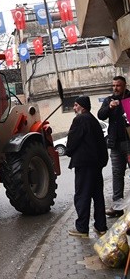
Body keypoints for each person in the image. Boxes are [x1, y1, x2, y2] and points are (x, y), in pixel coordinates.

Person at [66, 96, 108, 238]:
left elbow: (72, 141)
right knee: (97, 196)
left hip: (84, 164)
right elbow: (102, 144)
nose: (74, 108)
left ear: (82, 106)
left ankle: (82, 228)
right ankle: (101, 226)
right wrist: (102, 162)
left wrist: (68, 151)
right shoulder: (94, 120)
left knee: (82, 195)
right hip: (96, 164)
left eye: (76, 105)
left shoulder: (80, 119)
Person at [97, 75, 130, 217]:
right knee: (117, 174)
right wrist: (109, 107)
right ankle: (117, 207)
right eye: (113, 86)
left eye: (118, 85)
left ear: (124, 86)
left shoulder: (129, 98)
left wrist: (124, 105)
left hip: (129, 142)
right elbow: (100, 115)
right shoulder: (109, 100)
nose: (115, 88)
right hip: (115, 143)